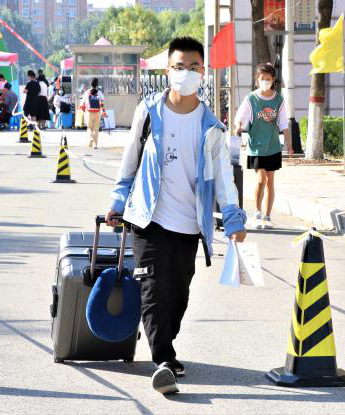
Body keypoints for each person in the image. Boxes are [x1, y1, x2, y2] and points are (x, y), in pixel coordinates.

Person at [105, 37, 247, 394]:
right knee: (153, 289)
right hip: (148, 218)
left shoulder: (211, 126)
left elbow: (223, 178)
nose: (186, 73)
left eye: (193, 67)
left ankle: (164, 342)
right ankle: (164, 361)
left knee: (178, 295)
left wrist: (233, 218)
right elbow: (130, 160)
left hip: (188, 224)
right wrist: (118, 202)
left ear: (204, 71)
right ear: (168, 71)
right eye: (179, 67)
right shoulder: (149, 111)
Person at [234, 63, 293, 229]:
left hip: (272, 146)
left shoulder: (278, 100)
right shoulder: (251, 99)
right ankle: (257, 211)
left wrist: (289, 144)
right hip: (256, 147)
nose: (265, 81)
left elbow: (283, 123)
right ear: (257, 80)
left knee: (270, 180)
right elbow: (241, 117)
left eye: (268, 78)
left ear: (273, 80)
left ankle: (267, 215)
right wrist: (238, 127)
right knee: (261, 179)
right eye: (262, 79)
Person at [82, 78, 106, 148]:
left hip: (89, 112)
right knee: (96, 127)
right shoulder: (99, 93)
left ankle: (90, 140)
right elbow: (102, 103)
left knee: (90, 127)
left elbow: (83, 103)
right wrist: (103, 112)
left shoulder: (87, 92)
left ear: (91, 84)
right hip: (97, 112)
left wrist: (84, 110)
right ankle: (95, 144)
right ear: (97, 84)